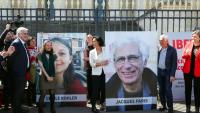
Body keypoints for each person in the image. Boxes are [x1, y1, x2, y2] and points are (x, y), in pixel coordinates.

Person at [106, 37, 157, 111]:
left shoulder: (155, 90)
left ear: (145, 61)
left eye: (133, 58)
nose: (127, 66)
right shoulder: (108, 94)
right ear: (114, 64)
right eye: (120, 59)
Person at [50, 38, 86, 106]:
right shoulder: (40, 83)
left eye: (62, 53)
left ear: (70, 59)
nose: (57, 58)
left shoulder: (77, 89)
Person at [6, 27, 30, 113]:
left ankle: (18, 108)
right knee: (17, 93)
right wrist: (15, 71)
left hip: (22, 73)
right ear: (19, 34)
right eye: (24, 33)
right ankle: (16, 110)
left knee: (19, 93)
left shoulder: (22, 43)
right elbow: (9, 58)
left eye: (27, 33)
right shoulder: (16, 43)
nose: (26, 35)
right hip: (18, 74)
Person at [157, 34, 177, 113]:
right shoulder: (159, 49)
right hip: (159, 71)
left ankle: (170, 108)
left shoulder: (172, 50)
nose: (160, 42)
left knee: (168, 90)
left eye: (161, 41)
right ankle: (163, 106)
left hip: (167, 73)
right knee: (161, 90)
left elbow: (174, 64)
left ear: (166, 41)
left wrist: (172, 75)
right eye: (159, 41)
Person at [182, 30, 200, 113]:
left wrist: (198, 55)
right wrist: (188, 54)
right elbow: (183, 55)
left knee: (197, 90)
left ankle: (197, 108)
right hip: (187, 71)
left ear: (199, 38)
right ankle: (188, 108)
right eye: (192, 36)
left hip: (198, 71)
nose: (193, 38)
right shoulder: (188, 44)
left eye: (195, 36)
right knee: (187, 89)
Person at [89, 36, 108, 113]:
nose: (93, 42)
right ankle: (93, 107)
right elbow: (92, 64)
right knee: (95, 90)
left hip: (105, 72)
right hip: (96, 74)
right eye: (93, 41)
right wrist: (101, 63)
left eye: (94, 41)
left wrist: (98, 63)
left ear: (99, 42)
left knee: (103, 90)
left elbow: (108, 60)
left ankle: (102, 105)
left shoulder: (105, 49)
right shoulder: (91, 52)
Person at [37, 40, 56, 113]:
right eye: (47, 45)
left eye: (50, 45)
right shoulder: (40, 54)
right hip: (43, 76)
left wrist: (52, 76)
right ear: (44, 46)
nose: (49, 46)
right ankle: (40, 110)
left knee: (52, 93)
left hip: (52, 76)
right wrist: (47, 76)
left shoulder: (54, 55)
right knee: (43, 93)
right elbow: (41, 66)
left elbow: (54, 66)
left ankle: (52, 108)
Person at [25, 36, 37, 107]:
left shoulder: (36, 49)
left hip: (36, 69)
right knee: (30, 86)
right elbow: (30, 61)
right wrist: (34, 57)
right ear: (29, 42)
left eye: (35, 41)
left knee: (34, 86)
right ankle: (29, 102)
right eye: (32, 41)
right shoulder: (27, 50)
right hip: (30, 70)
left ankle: (34, 101)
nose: (34, 42)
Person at [83, 34, 94, 105]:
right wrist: (85, 66)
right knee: (89, 84)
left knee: (96, 84)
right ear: (86, 39)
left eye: (90, 37)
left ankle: (96, 99)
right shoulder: (86, 48)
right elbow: (84, 58)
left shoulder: (96, 46)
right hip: (89, 68)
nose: (89, 39)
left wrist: (88, 59)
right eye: (88, 38)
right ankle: (90, 98)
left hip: (96, 68)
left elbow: (86, 58)